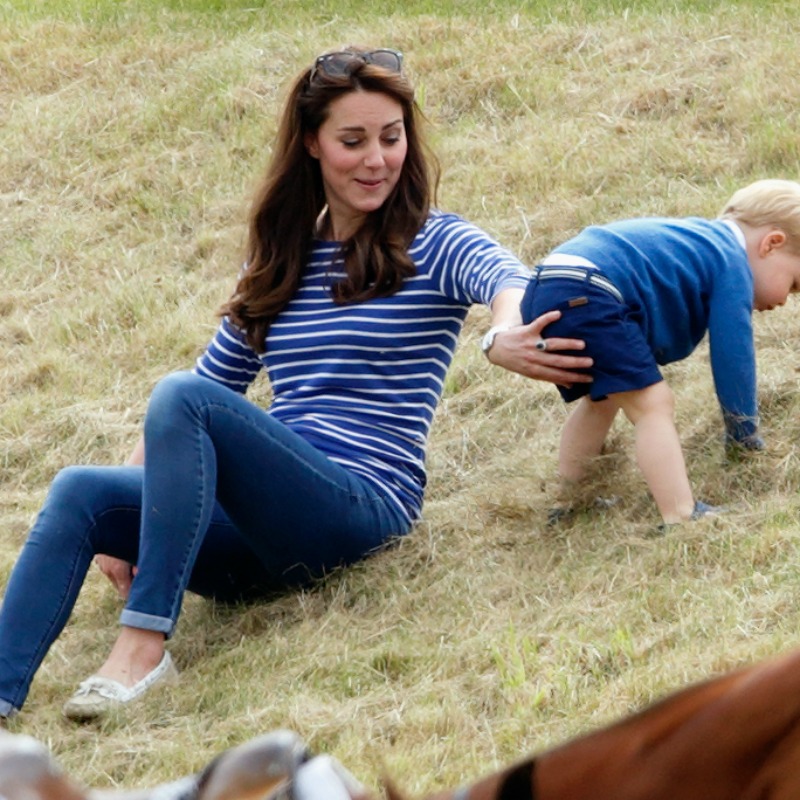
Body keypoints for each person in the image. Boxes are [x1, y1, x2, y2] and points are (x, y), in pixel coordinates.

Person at [0, 47, 593, 722]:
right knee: (83, 489)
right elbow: (209, 381)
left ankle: (142, 648)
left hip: (359, 504)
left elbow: (506, 280)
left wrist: (502, 336)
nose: (377, 159)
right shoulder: (284, 257)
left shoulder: (435, 240)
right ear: (312, 144)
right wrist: (132, 512)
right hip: (255, 539)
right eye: (354, 140)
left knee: (179, 398)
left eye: (391, 138)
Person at [520, 179, 800, 527]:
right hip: (587, 290)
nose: (786, 299)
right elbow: (733, 357)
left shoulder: (698, 242)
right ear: (772, 243)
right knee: (654, 404)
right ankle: (682, 516)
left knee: (602, 400)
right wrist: (744, 437)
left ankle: (572, 500)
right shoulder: (730, 261)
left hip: (549, 285)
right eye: (793, 283)